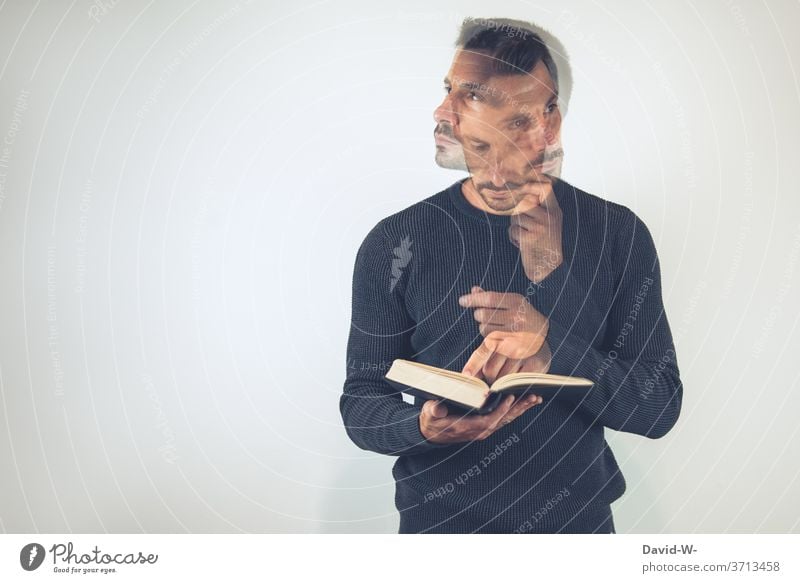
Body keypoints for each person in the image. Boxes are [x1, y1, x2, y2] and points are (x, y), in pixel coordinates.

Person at [340, 18, 683, 534]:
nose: (497, 170)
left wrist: (551, 348)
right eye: (480, 141)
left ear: (550, 123)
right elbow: (362, 402)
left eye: (516, 129)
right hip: (439, 533)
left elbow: (657, 408)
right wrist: (424, 426)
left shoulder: (619, 234)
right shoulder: (396, 241)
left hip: (577, 533)